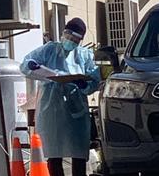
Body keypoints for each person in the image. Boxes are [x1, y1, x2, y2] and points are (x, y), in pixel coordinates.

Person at [20, 17, 101, 176]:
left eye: (75, 39)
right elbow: (25, 65)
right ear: (63, 33)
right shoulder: (48, 50)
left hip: (75, 110)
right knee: (53, 153)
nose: (70, 41)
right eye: (68, 36)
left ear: (80, 40)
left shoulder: (84, 55)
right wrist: (35, 67)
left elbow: (95, 78)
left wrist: (84, 84)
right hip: (50, 108)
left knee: (78, 153)